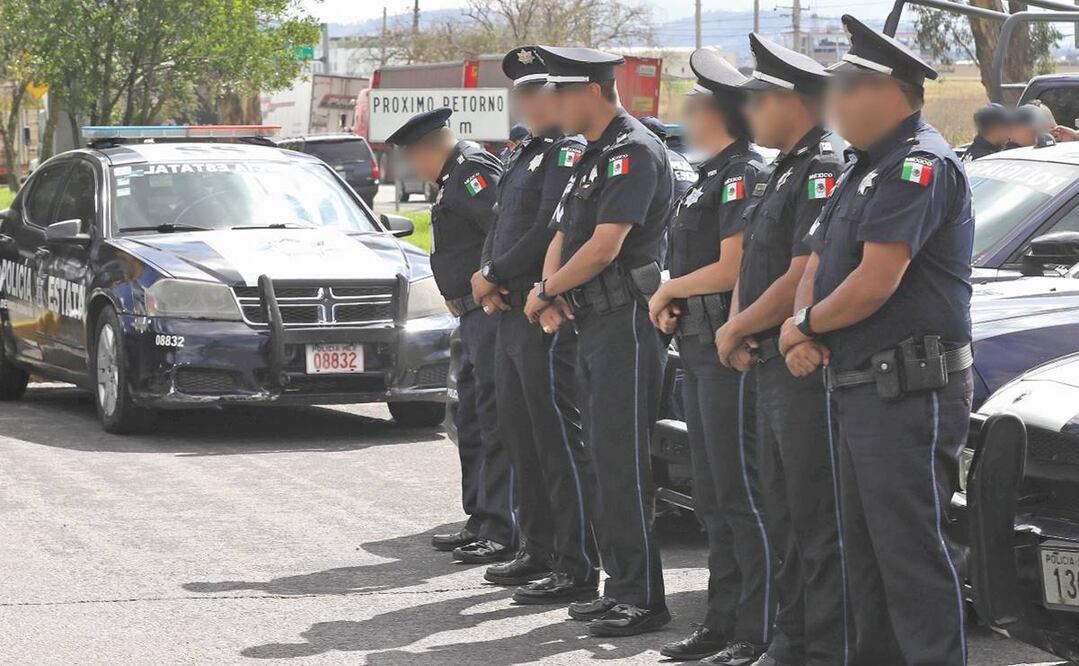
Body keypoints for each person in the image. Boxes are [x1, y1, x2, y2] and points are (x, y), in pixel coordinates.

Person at [779, 15, 975, 665]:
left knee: (910, 557)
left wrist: (802, 327)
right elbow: (817, 263)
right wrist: (801, 331)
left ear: (885, 90)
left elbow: (875, 281)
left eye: (844, 85)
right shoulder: (864, 167)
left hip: (907, 392)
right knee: (862, 560)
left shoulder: (917, 165)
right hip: (858, 386)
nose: (833, 100)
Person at [522, 45, 674, 637]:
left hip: (627, 327)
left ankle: (642, 597)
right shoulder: (592, 155)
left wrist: (547, 290)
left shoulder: (633, 150)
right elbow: (565, 230)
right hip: (591, 321)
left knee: (623, 464)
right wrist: (551, 288)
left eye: (558, 93)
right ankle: (621, 587)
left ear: (589, 89)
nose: (550, 104)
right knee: (604, 464)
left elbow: (607, 244)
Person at [713, 33, 847, 666]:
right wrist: (739, 324)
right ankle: (788, 644)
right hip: (767, 360)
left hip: (800, 367)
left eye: (759, 99)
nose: (750, 113)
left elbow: (801, 274)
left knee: (812, 518)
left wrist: (737, 328)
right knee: (782, 513)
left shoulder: (823, 167)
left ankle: (817, 649)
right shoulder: (782, 170)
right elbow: (754, 265)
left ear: (792, 100)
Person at [646, 49, 772, 664]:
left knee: (737, 491)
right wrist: (676, 299)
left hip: (727, 349)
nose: (685, 117)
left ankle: (755, 627)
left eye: (693, 106)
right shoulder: (711, 175)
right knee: (713, 495)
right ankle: (721, 622)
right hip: (696, 344)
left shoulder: (743, 173)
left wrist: (670, 290)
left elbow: (734, 265)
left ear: (718, 112)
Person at [470, 46, 599, 603]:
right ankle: (537, 547)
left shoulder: (567, 154)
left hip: (541, 311)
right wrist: (490, 273)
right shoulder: (528, 151)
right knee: (520, 433)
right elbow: (503, 225)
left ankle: (574, 563)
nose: (529, 101)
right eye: (521, 92)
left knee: (555, 440)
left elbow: (551, 227)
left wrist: (497, 273)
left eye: (539, 91)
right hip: (510, 308)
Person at [386, 108, 516, 564]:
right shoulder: (453, 178)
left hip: (489, 312)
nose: (412, 169)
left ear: (428, 148)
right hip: (469, 314)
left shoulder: (473, 172)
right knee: (473, 421)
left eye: (411, 157)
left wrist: (490, 278)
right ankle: (481, 518)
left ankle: (503, 527)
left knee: (496, 420)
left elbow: (503, 231)